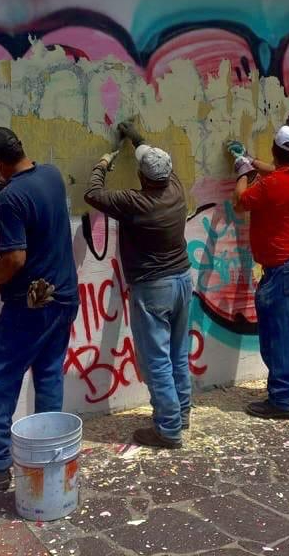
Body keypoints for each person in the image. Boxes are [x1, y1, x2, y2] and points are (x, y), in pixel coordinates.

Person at [0, 127, 79, 491]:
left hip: (30, 305)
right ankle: (49, 452)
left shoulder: (10, 198)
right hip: (64, 297)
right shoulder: (51, 175)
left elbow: (14, 259)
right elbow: (30, 201)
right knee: (49, 376)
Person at [83, 122, 193, 449]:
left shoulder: (135, 203)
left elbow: (92, 193)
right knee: (178, 354)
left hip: (153, 288)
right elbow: (152, 158)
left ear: (142, 178)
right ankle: (181, 413)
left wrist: (104, 162)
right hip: (182, 280)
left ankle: (168, 428)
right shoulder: (176, 188)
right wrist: (138, 138)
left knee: (156, 360)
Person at [229, 124, 289, 419]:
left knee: (278, 335)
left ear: (275, 150)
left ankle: (282, 399)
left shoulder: (269, 185)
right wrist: (250, 159)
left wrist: (241, 172)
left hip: (281, 268)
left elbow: (239, 203)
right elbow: (277, 170)